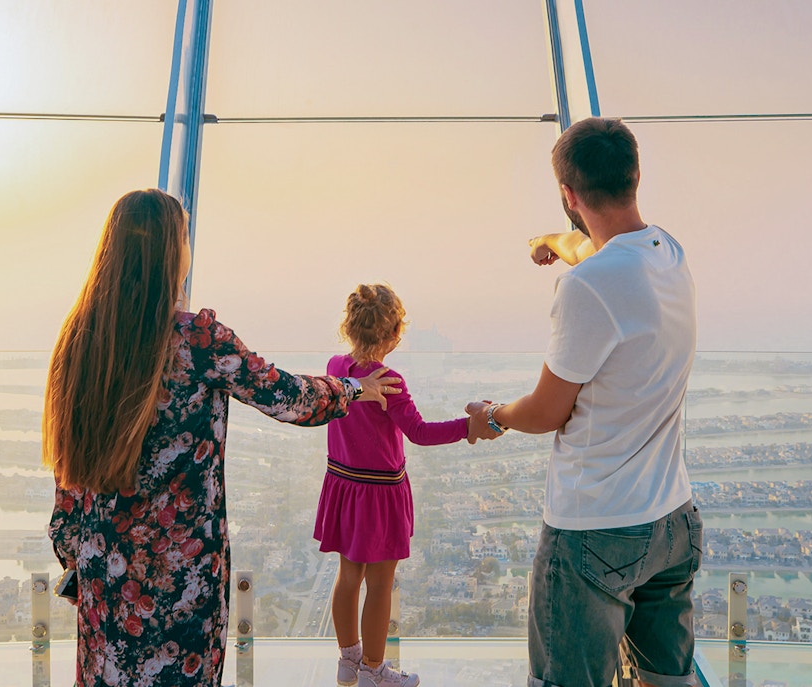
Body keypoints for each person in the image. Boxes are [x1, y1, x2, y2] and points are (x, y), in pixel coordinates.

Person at [44, 189, 401, 687]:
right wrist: (353, 389)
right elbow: (287, 396)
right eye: (184, 235)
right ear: (171, 251)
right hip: (182, 582)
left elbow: (66, 472)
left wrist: (78, 558)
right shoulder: (197, 342)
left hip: (105, 573)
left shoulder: (80, 339)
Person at [467, 117, 703, 687]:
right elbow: (600, 254)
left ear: (568, 195)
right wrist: (553, 242)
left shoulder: (586, 288)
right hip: (672, 520)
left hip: (596, 529)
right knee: (666, 680)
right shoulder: (667, 252)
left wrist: (492, 416)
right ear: (636, 175)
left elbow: (548, 411)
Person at [316, 284, 493, 687]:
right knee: (380, 585)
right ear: (394, 334)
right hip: (379, 494)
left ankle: (348, 662)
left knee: (348, 577)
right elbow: (419, 431)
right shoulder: (388, 379)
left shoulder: (336, 366)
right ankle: (375, 672)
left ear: (349, 325)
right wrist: (469, 427)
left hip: (344, 485)